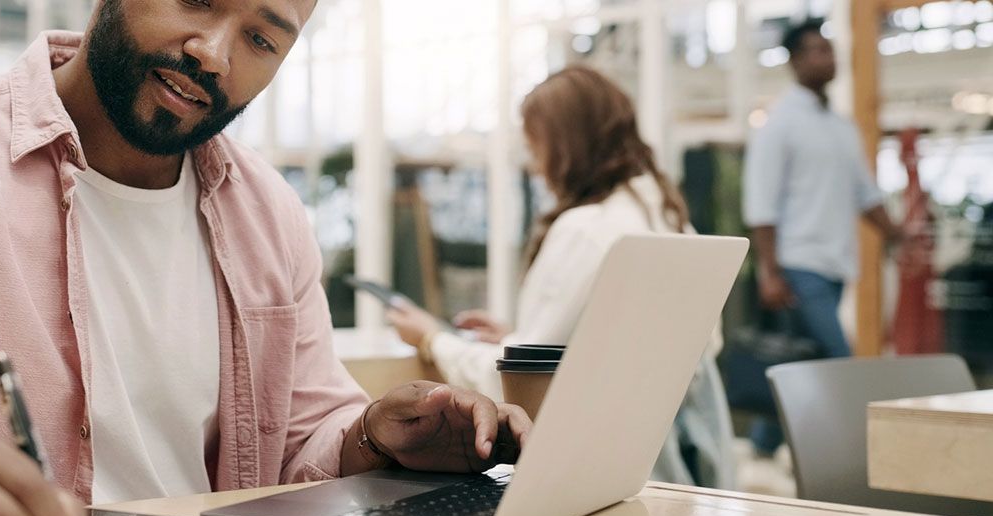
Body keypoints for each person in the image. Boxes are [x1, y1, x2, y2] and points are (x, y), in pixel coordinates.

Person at [0, 1, 532, 516]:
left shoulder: (268, 215)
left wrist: (375, 438)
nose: (213, 54)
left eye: (259, 37)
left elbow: (301, 447)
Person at [387, 66, 737, 489]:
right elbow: (665, 348)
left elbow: (527, 389)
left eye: (536, 147)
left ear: (565, 145)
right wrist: (517, 336)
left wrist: (431, 338)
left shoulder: (584, 229)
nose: (535, 166)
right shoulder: (665, 215)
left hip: (590, 471)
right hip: (671, 466)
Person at [741, 20, 904, 456]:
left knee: (802, 361)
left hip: (835, 265)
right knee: (838, 361)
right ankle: (855, 456)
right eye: (816, 51)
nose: (827, 58)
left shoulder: (840, 127)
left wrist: (895, 234)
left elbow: (864, 193)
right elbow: (761, 205)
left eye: (829, 49)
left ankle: (761, 444)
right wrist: (769, 273)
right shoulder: (779, 125)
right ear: (794, 61)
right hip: (798, 266)